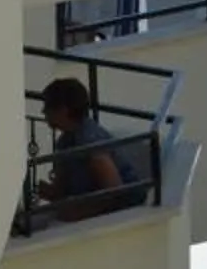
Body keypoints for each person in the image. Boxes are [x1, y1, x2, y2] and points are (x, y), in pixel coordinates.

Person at [33, 77, 148, 226]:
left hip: (119, 215)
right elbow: (62, 190)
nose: (43, 111)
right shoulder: (64, 142)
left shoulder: (90, 141)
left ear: (63, 110)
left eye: (47, 106)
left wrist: (78, 213)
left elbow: (114, 193)